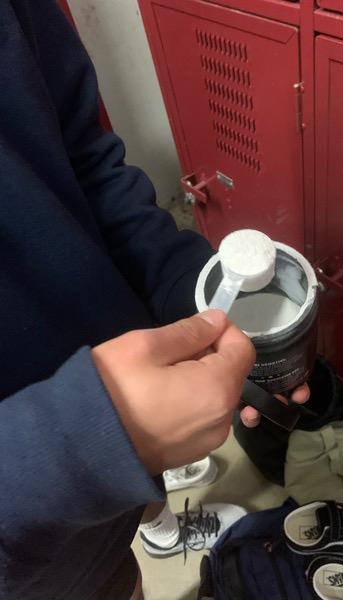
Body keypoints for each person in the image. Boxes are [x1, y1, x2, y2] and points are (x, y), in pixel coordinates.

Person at [0, 2, 309, 598]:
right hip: (34, 566)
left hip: (116, 444)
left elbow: (86, 163)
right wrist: (81, 443)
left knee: (124, 562)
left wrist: (188, 291)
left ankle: (161, 531)